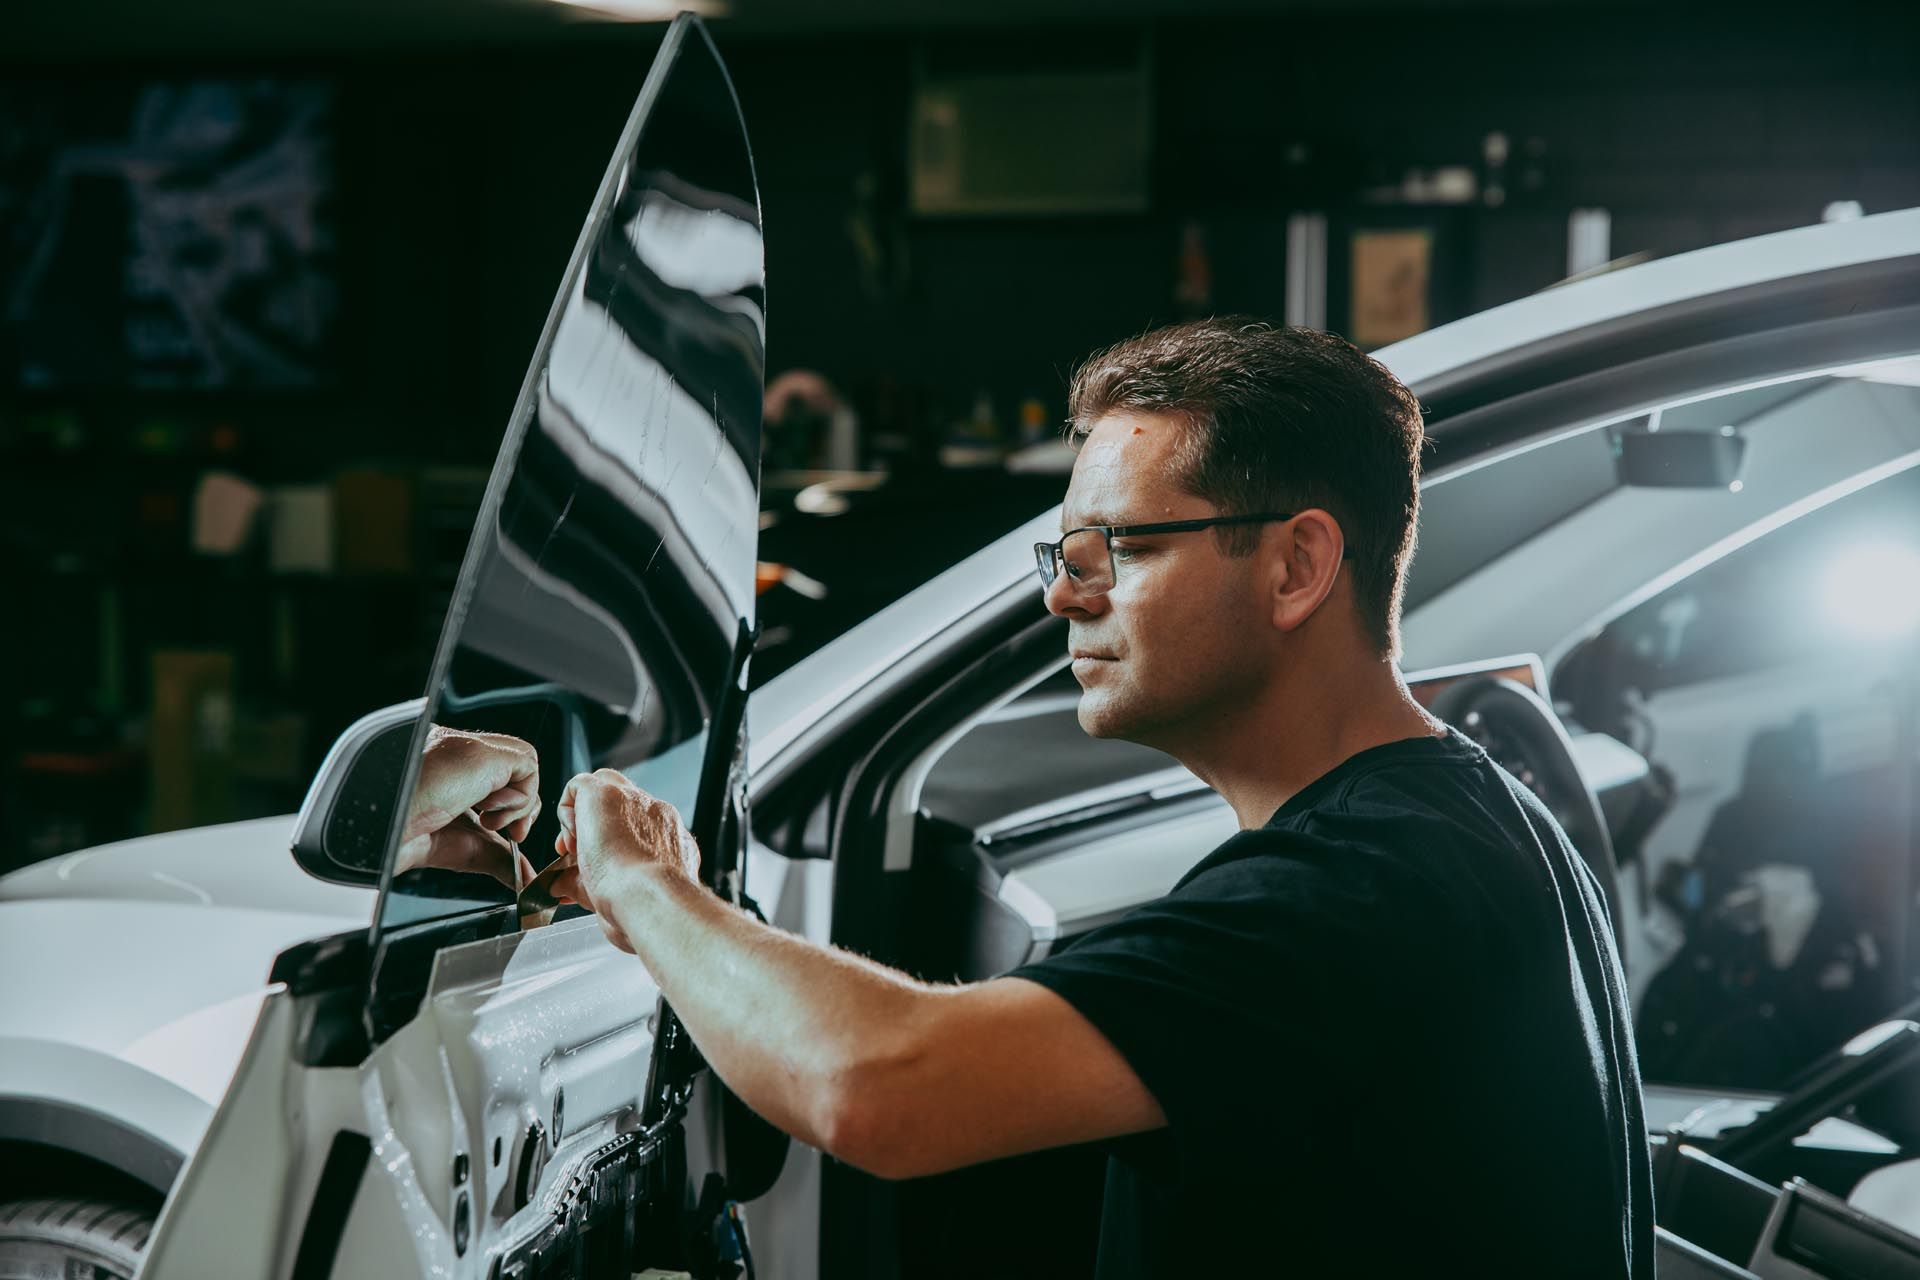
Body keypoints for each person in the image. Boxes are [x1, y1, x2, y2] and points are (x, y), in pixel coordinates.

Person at [542, 319, 1652, 1276]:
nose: (1067, 596)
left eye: (1116, 546)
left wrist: (644, 884)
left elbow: (872, 1084)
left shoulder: (1360, 887)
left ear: (1297, 566)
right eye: (1067, 553)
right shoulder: (1465, 817)